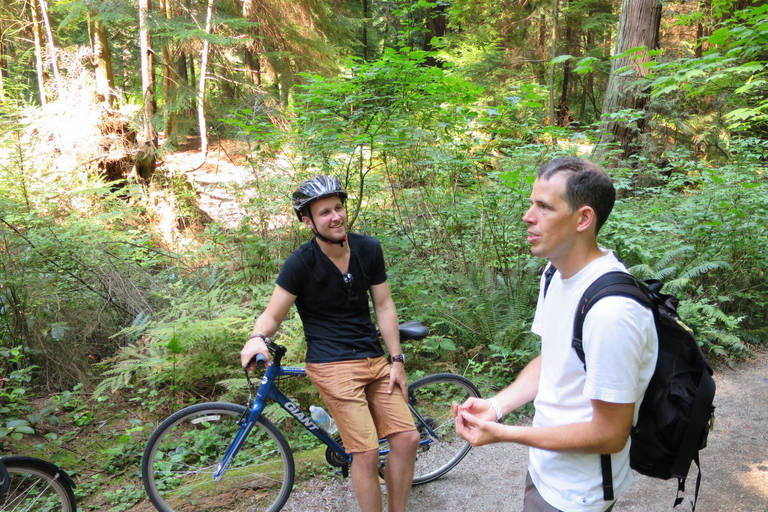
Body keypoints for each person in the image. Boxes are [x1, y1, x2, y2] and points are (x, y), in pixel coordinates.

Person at [452, 157, 658, 512]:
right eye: (532, 203)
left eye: (544, 206)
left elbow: (610, 434)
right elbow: (553, 358)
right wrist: (496, 407)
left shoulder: (612, 313)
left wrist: (504, 434)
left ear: (583, 219)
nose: (527, 216)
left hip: (579, 494)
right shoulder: (554, 273)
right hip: (546, 468)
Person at [240, 175, 419, 512]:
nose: (335, 217)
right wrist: (256, 338)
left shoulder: (368, 249)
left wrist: (397, 360)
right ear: (308, 221)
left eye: (338, 208)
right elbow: (272, 315)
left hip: (375, 359)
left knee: (407, 439)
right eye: (325, 212)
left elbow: (383, 305)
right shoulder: (301, 263)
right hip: (331, 364)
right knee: (364, 452)